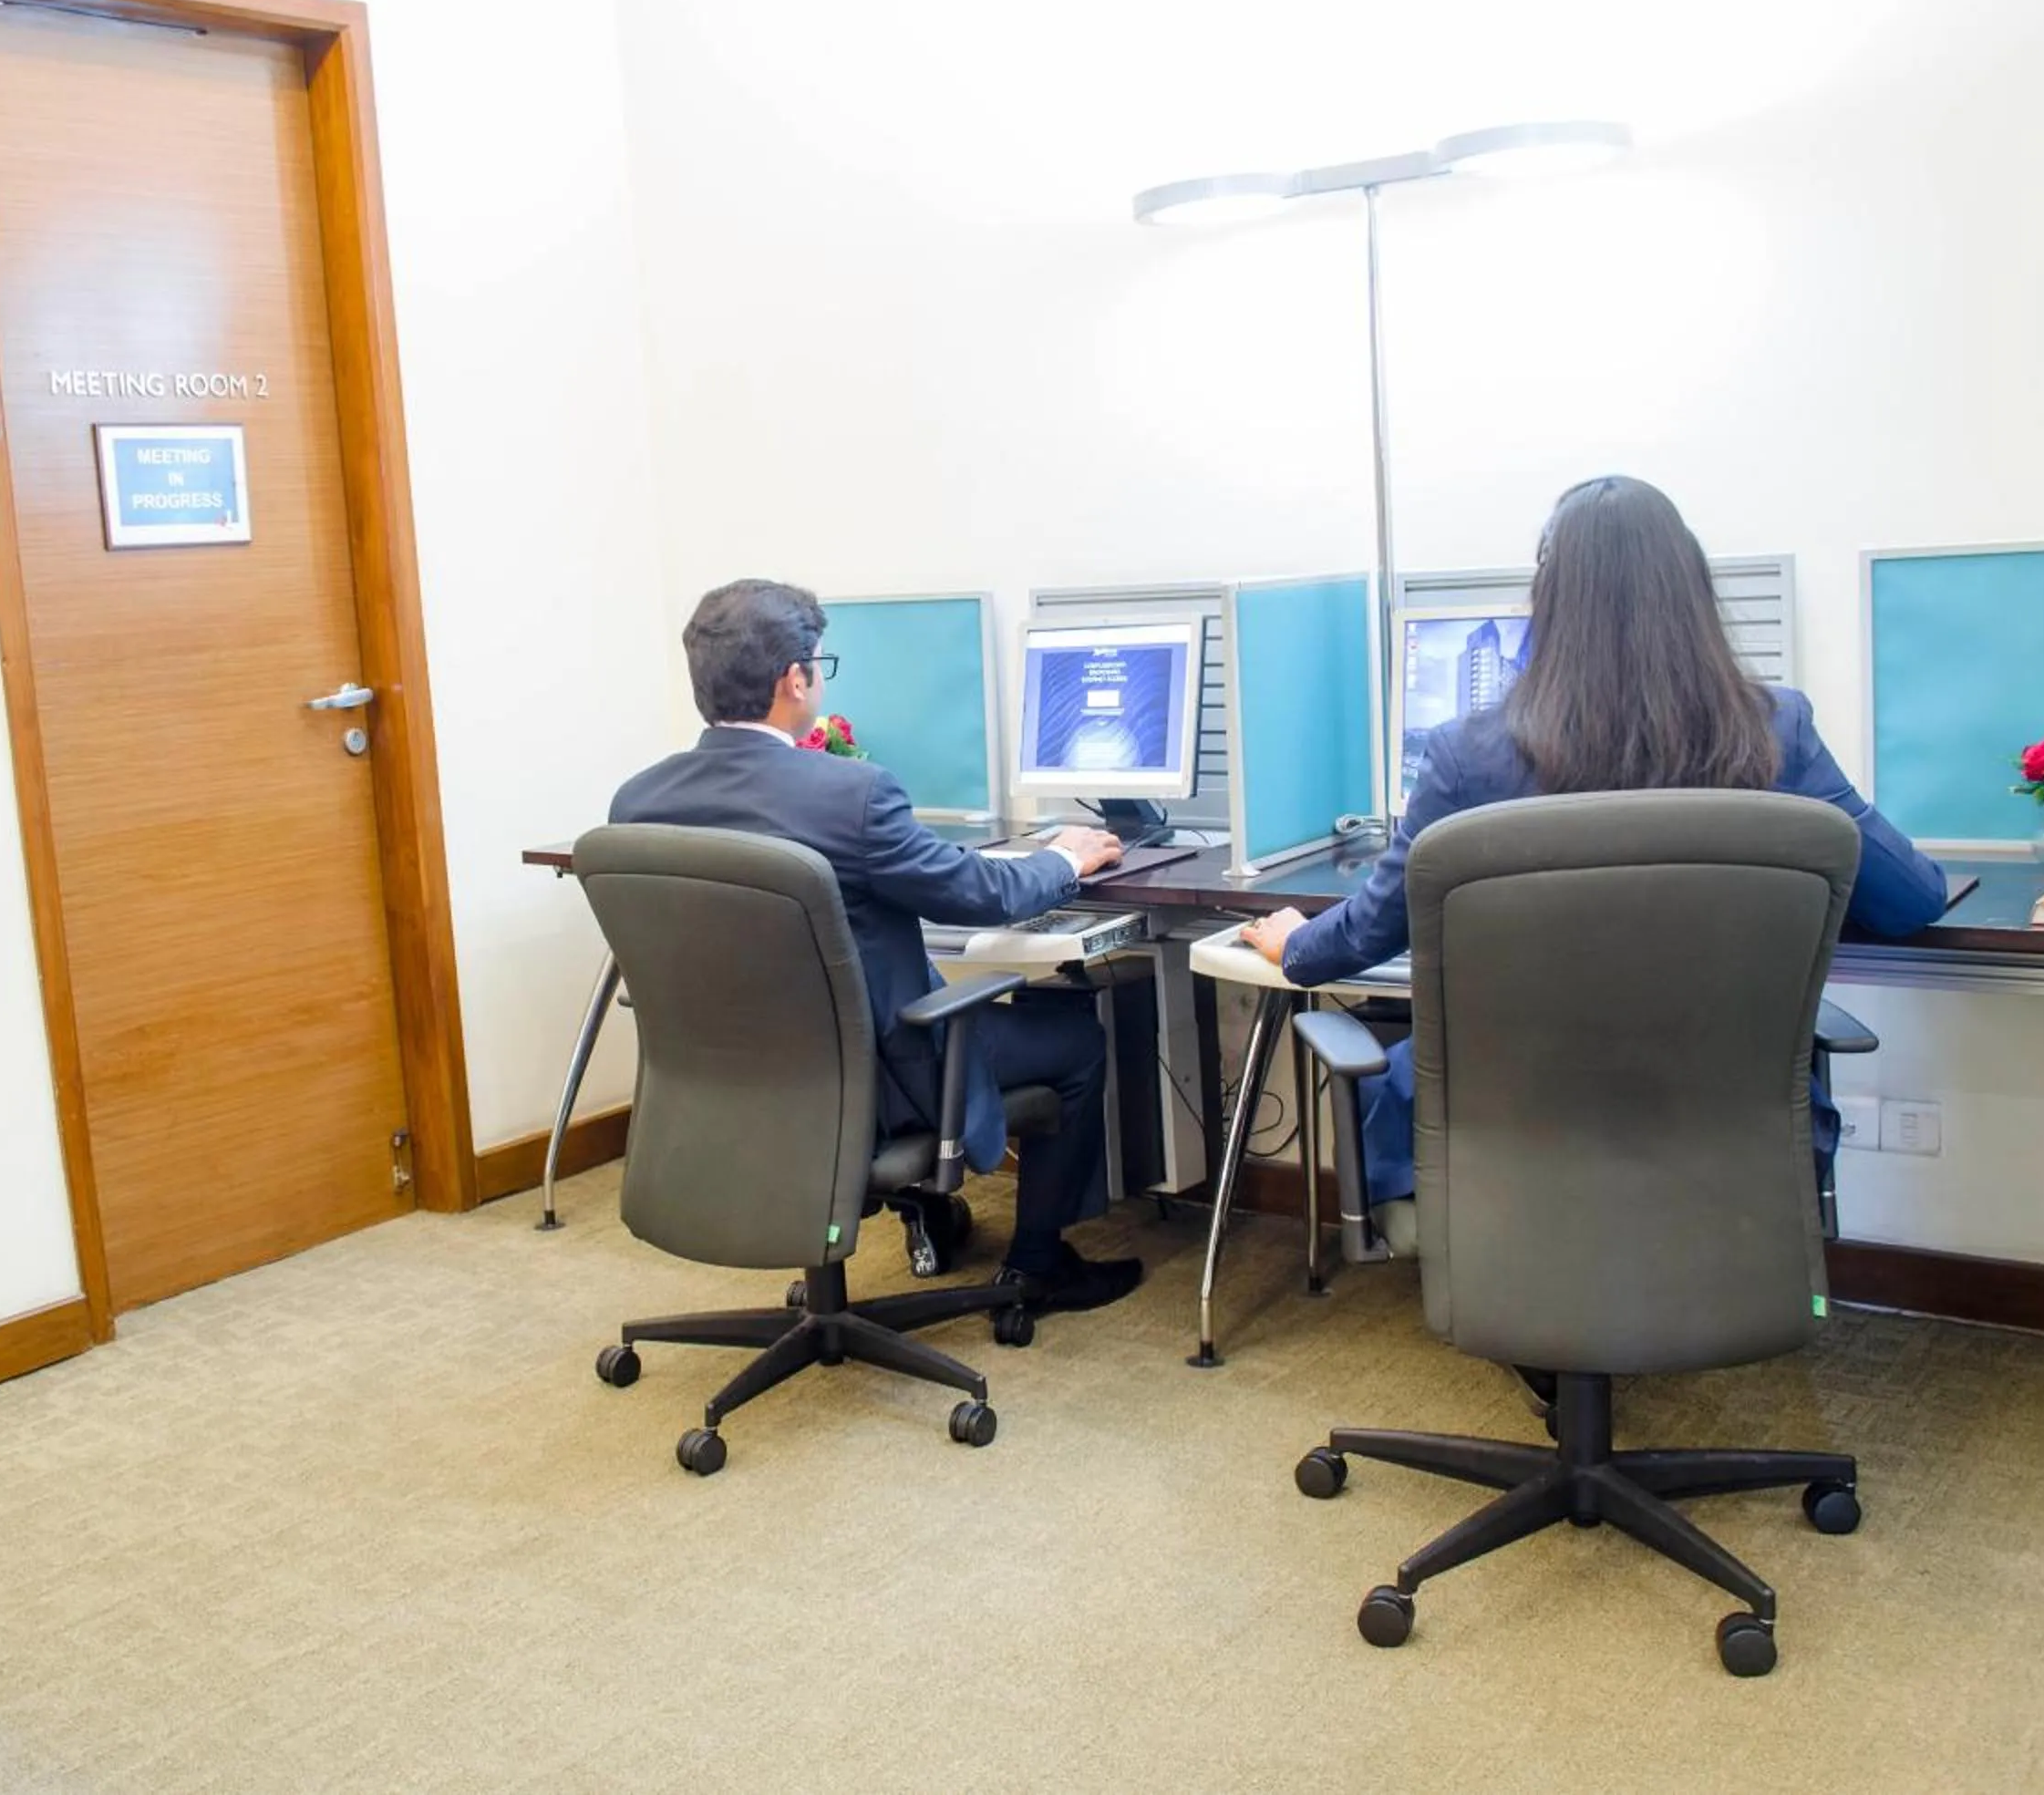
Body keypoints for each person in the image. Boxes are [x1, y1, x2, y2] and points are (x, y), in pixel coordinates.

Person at [1244, 476, 1948, 1204]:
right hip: (1729, 1119)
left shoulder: (1468, 755)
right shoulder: (1774, 731)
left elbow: (1374, 928)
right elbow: (1910, 900)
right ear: (1694, 593)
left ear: (1549, 602)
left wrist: (1296, 944)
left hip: (1511, 1124)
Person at [612, 579, 1146, 1317]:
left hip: (732, 1079)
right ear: (794, 679)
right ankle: (1037, 1265)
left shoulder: (638, 803)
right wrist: (1065, 858)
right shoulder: (849, 796)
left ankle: (931, 1220)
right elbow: (980, 896)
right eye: (817, 666)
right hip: (875, 1077)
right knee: (1075, 1038)